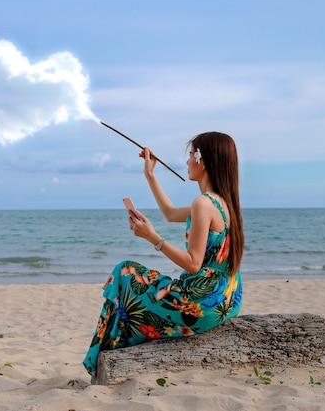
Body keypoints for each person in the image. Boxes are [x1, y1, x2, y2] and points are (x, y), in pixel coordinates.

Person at [83, 132, 244, 377]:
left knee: (125, 271)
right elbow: (169, 213)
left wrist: (152, 238)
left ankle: (104, 356)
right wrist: (150, 174)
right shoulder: (223, 203)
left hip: (199, 304)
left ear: (203, 160)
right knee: (133, 283)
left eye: (191, 155)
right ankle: (115, 348)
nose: (188, 161)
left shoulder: (203, 204)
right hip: (226, 300)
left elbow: (193, 264)